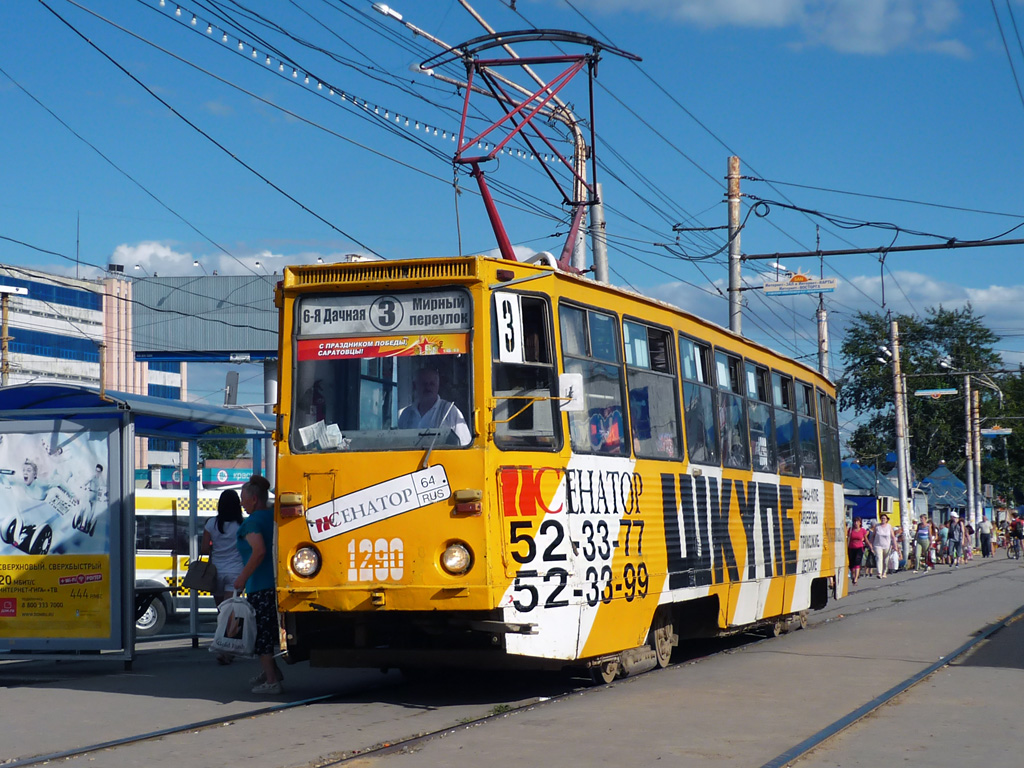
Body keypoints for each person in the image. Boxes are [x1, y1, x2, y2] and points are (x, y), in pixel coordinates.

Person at [233, 475, 283, 694]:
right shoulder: (274, 517)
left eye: (243, 498)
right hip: (276, 583)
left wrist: (242, 578)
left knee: (261, 634)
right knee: (269, 632)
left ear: (254, 499)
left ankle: (272, 681)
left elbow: (259, 551)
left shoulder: (252, 522)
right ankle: (271, 671)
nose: (242, 503)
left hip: (259, 586)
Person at [202, 490, 245, 625]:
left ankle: (221, 638)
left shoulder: (211, 524)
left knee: (221, 611)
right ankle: (230, 639)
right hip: (236, 571)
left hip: (216, 571)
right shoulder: (243, 524)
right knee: (230, 610)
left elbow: (204, 549)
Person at [397, 367, 471, 446]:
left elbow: (465, 444)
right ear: (415, 386)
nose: (428, 387)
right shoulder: (406, 414)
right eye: (424, 384)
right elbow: (398, 444)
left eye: (432, 384)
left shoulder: (450, 411)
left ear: (438, 386)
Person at [869, 513, 895, 579]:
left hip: (887, 545)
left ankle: (884, 572)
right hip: (878, 545)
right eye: (882, 518)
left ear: (886, 520)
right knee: (879, 558)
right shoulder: (877, 526)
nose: (883, 520)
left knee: (886, 560)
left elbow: (893, 537)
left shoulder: (889, 526)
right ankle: (879, 573)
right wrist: (870, 544)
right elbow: (873, 536)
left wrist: (895, 545)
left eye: (884, 518)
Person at [847, 517, 869, 585]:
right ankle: (853, 576)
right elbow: (847, 538)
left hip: (859, 548)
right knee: (851, 564)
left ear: (860, 523)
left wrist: (870, 546)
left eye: (857, 522)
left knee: (857, 562)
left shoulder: (862, 530)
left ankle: (856, 578)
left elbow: (866, 539)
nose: (856, 523)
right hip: (851, 548)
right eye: (855, 522)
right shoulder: (850, 530)